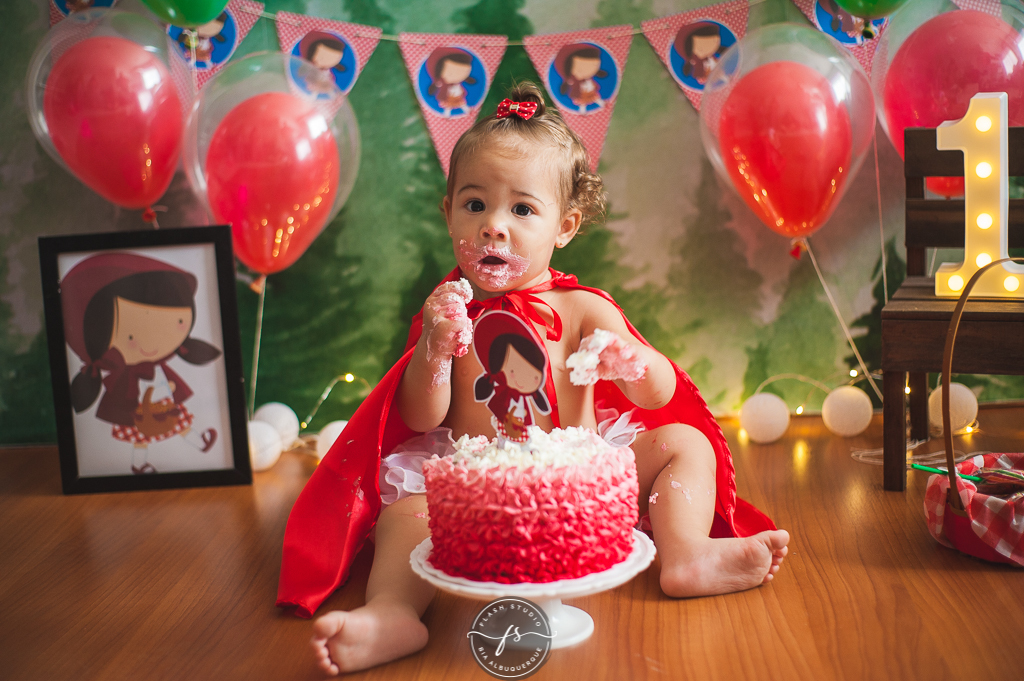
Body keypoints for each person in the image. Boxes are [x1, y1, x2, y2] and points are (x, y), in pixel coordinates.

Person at [277, 82, 789, 675]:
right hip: (476, 477)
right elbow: (419, 418)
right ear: (448, 214)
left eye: (522, 209)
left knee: (686, 443)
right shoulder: (449, 313)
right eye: (475, 205)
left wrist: (630, 361)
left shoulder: (581, 310)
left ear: (565, 226)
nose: (494, 226)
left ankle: (687, 555)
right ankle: (394, 613)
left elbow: (661, 394)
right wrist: (435, 352)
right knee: (405, 515)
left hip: (579, 474)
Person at [62, 253, 221, 474]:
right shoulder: (124, 375)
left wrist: (169, 388)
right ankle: (138, 466)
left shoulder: (158, 367)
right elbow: (144, 387)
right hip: (137, 407)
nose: (152, 344)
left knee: (181, 424)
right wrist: (161, 391)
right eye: (131, 337)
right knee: (140, 438)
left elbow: (161, 381)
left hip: (162, 403)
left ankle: (200, 443)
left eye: (177, 324)